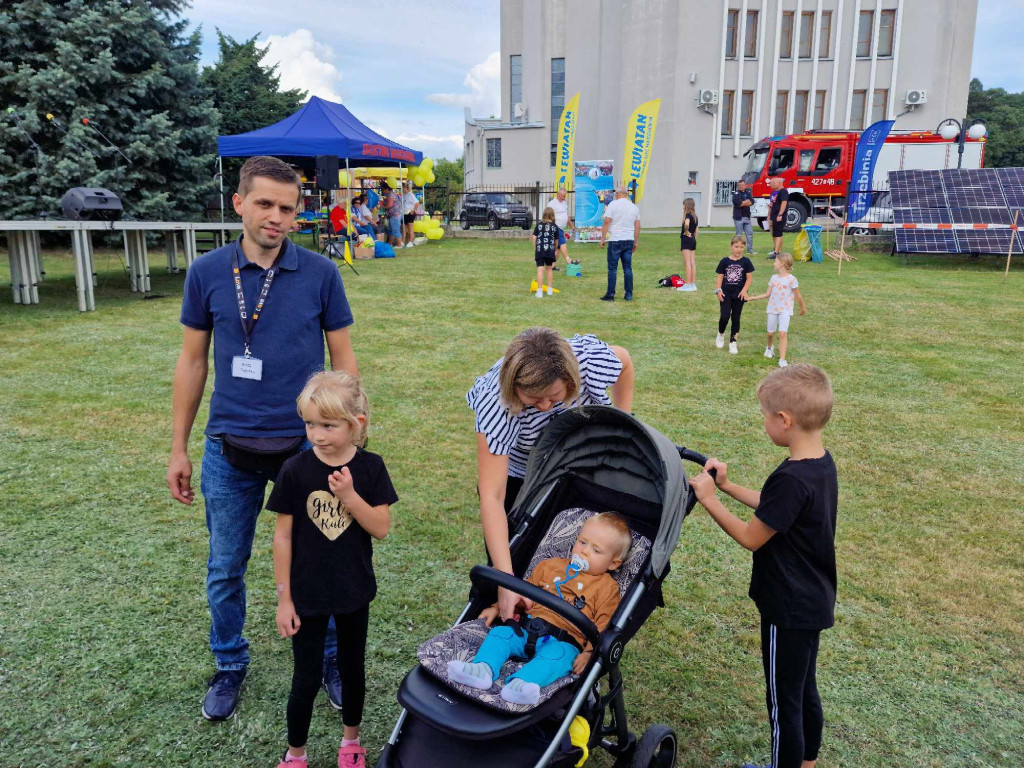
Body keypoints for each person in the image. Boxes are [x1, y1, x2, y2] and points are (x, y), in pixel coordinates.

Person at [167, 155, 359, 721]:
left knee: (320, 558)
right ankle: (229, 665)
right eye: (265, 204)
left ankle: (327, 658)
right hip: (229, 449)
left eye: (287, 208)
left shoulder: (321, 273)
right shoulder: (206, 272)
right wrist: (179, 446)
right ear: (240, 203)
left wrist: (344, 432)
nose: (276, 217)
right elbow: (192, 361)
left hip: (307, 449)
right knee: (226, 565)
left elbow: (342, 358)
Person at [689, 364, 837, 768]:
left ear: (784, 420)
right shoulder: (820, 464)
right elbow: (776, 510)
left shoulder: (791, 477)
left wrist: (708, 500)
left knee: (783, 704)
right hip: (813, 600)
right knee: (804, 690)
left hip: (786, 607)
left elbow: (753, 537)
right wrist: (728, 487)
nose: (764, 422)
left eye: (765, 415)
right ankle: (806, 763)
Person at [269, 371, 397, 768]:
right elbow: (282, 538)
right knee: (305, 678)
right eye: (309, 424)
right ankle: (296, 754)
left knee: (351, 668)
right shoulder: (294, 470)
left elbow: (380, 528)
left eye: (328, 425)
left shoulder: (371, 468)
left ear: (355, 424)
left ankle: (351, 742)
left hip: (353, 590)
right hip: (305, 595)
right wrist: (284, 599)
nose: (317, 434)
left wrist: (349, 495)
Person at [466, 327, 634, 622]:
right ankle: (495, 604)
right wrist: (506, 581)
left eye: (554, 397)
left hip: (573, 460)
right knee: (511, 551)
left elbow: (625, 361)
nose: (544, 407)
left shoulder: (588, 361)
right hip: (521, 469)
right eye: (533, 399)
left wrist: (624, 421)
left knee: (555, 538)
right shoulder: (497, 402)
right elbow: (492, 496)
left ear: (571, 379)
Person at [447, 513, 630, 706]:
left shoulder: (607, 589)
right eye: (582, 542)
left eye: (596, 550)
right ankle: (482, 669)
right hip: (526, 628)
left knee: (557, 658)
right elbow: (520, 595)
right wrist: (496, 608)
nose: (583, 552)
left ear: (613, 563)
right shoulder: (549, 567)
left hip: (564, 640)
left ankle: (521, 685)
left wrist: (588, 654)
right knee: (500, 634)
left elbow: (603, 624)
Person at [746, 252, 807, 368]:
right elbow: (767, 294)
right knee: (770, 333)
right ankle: (769, 348)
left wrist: (803, 308)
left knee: (782, 333)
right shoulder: (773, 278)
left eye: (776, 261)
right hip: (772, 309)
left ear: (782, 264)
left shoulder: (792, 280)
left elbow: (798, 296)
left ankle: (782, 359)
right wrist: (752, 298)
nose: (774, 263)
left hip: (785, 310)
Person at [715, 236, 755, 355]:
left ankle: (733, 342)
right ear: (731, 247)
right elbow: (720, 277)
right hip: (726, 293)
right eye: (736, 247)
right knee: (725, 316)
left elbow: (749, 278)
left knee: (736, 318)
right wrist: (718, 290)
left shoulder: (746, 262)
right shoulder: (724, 261)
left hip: (739, 295)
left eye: (741, 247)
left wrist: (744, 291)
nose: (739, 249)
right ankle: (721, 334)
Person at [599, 185, 640, 302]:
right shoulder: (634, 207)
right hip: (628, 240)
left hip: (615, 240)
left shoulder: (613, 205)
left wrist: (602, 239)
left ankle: (610, 294)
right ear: (626, 194)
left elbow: (607, 222)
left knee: (612, 269)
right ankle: (628, 294)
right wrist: (635, 241)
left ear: (617, 194)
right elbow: (638, 226)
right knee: (628, 268)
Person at [532, 207, 560, 298]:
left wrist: (536, 247)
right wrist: (555, 249)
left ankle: (539, 291)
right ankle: (549, 289)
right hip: (550, 250)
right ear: (552, 216)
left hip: (540, 249)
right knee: (549, 269)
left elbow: (534, 237)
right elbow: (556, 240)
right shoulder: (554, 227)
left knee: (540, 269)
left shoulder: (539, 225)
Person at [678, 197, 699, 292]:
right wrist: (693, 237)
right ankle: (692, 284)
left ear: (687, 205)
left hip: (686, 240)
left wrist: (686, 232)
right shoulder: (695, 216)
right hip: (692, 240)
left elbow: (686, 224)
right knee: (692, 262)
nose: (683, 207)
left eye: (684, 205)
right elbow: (697, 230)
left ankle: (688, 284)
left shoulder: (687, 216)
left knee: (687, 263)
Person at [768, 177, 789, 260]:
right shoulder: (778, 192)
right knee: (776, 233)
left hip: (779, 217)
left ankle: (776, 253)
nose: (772, 184)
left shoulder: (783, 191)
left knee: (778, 234)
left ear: (779, 183)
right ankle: (778, 251)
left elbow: (784, 203)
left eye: (774, 183)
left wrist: (780, 215)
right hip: (775, 216)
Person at [733, 180, 756, 255]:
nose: (741, 186)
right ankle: (737, 250)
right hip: (738, 217)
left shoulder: (748, 192)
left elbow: (752, 201)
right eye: (739, 185)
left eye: (742, 185)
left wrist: (744, 202)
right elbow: (738, 204)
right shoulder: (736, 194)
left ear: (745, 185)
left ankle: (750, 250)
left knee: (750, 234)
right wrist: (747, 202)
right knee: (739, 235)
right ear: (738, 186)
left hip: (747, 217)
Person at [382, 183, 403, 247]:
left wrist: (382, 206)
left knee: (395, 230)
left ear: (386, 189)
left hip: (394, 215)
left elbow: (390, 205)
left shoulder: (390, 195)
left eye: (383, 189)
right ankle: (390, 244)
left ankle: (399, 244)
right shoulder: (393, 194)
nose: (383, 191)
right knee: (391, 230)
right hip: (394, 215)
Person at [401, 181, 420, 248]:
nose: (403, 189)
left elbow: (417, 203)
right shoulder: (403, 195)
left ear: (406, 188)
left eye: (404, 188)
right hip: (404, 213)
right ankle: (402, 241)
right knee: (403, 228)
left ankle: (410, 241)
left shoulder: (411, 195)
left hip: (409, 213)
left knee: (410, 229)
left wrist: (413, 210)